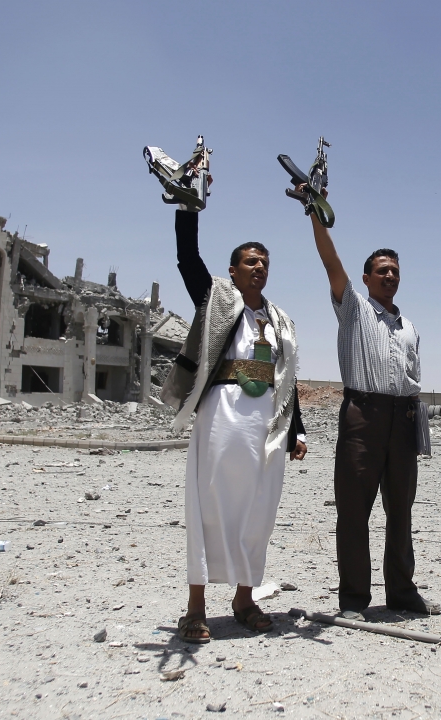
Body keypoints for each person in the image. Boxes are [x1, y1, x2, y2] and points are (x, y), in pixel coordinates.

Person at [161, 206, 307, 643]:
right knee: (211, 506)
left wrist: (296, 429)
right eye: (250, 261)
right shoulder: (217, 302)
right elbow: (188, 257)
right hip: (223, 415)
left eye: (264, 262)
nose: (259, 268)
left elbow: (287, 377)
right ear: (233, 270)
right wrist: (188, 206)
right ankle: (195, 608)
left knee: (258, 511)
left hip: (267, 423)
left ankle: (245, 599)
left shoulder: (280, 320)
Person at [298, 184, 438, 621]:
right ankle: (354, 600)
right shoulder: (354, 308)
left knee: (401, 512)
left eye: (394, 271)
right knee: (354, 512)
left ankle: (402, 592)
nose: (390, 276)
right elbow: (330, 261)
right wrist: (315, 214)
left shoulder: (409, 325)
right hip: (363, 417)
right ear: (366, 278)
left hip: (402, 418)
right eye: (381, 270)